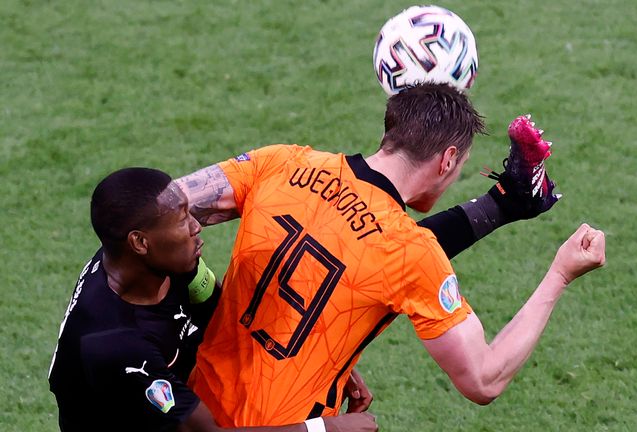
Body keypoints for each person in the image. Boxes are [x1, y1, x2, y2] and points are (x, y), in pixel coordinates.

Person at [173, 82, 605, 427]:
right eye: (459, 167)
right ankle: (511, 201)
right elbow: (483, 378)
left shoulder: (280, 163)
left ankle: (509, 201)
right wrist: (559, 275)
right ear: (447, 159)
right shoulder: (411, 254)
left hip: (192, 414)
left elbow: (161, 206)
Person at [47, 168, 378, 432]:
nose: (196, 227)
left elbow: (222, 311)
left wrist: (320, 365)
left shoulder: (157, 263)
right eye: (181, 221)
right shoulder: (116, 343)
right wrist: (325, 428)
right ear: (140, 242)